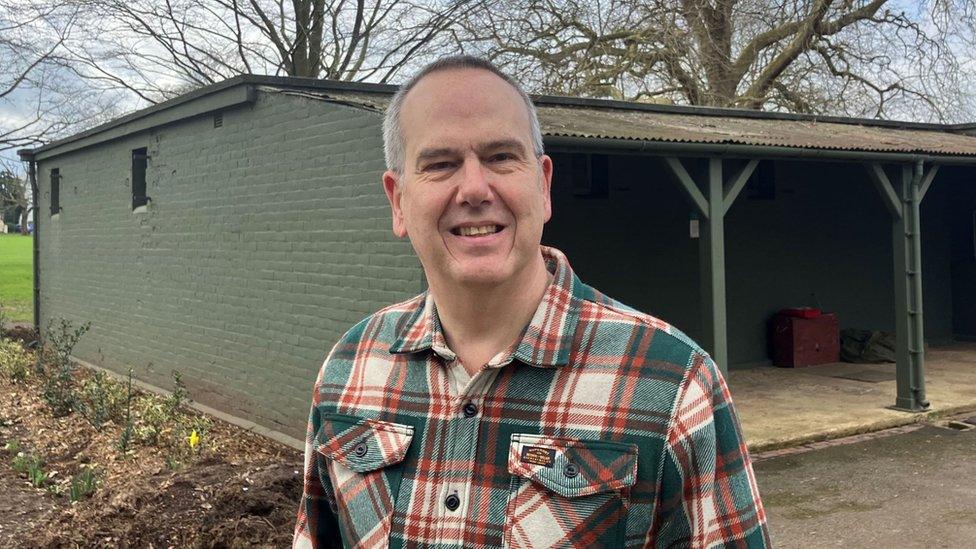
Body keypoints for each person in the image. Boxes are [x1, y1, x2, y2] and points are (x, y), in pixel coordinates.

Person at [293, 55, 769, 548]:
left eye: (501, 157)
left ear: (543, 186)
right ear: (398, 201)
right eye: (440, 164)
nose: (475, 188)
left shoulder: (674, 385)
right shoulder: (348, 369)